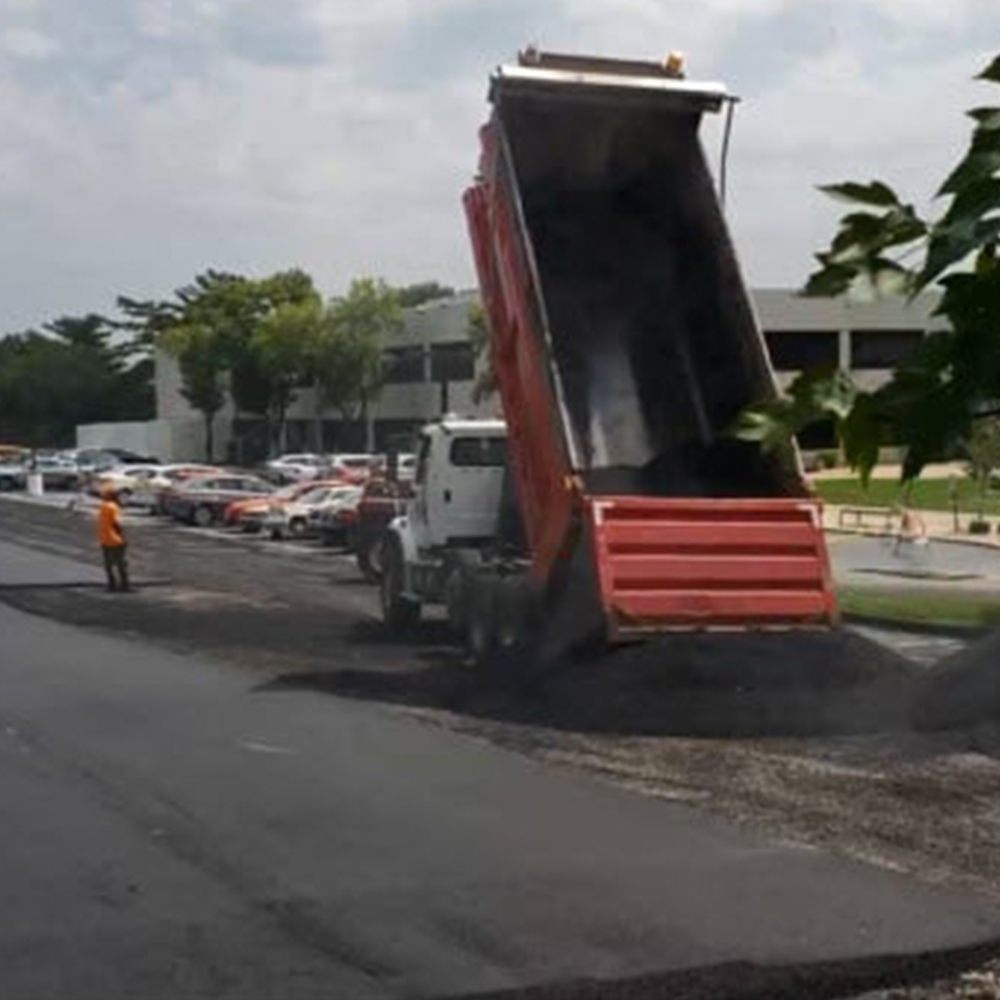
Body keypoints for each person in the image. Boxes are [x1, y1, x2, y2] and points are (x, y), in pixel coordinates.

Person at [97, 486, 131, 593]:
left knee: (108, 563)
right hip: (115, 539)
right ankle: (124, 585)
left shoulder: (103, 506)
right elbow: (117, 523)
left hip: (104, 538)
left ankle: (111, 584)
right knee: (121, 563)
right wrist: (123, 537)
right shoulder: (113, 507)